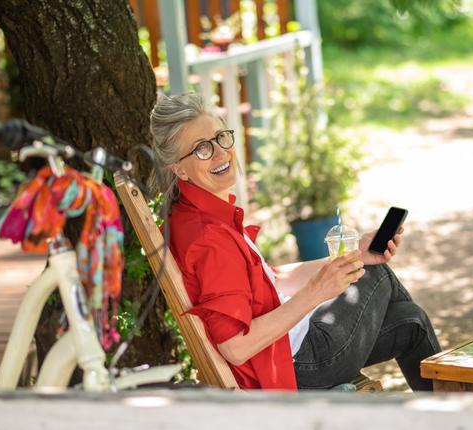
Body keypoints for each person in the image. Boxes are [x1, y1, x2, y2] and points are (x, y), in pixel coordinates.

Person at [149, 92, 441, 391]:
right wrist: (316, 292)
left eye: (221, 137)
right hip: (296, 365)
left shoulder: (200, 217)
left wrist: (353, 255)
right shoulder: (209, 238)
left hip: (291, 353)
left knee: (410, 321)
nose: (220, 153)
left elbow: (272, 280)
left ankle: (446, 423)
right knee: (377, 274)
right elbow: (235, 347)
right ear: (179, 168)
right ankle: (460, 420)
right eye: (201, 149)